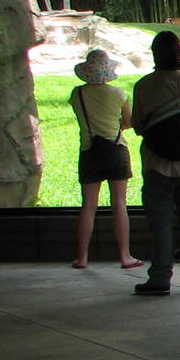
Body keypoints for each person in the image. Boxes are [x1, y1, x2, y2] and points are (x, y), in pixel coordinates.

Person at [130, 30, 180, 296]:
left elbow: (139, 126)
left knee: (161, 223)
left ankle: (160, 278)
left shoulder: (143, 86)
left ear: (155, 55)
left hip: (156, 163)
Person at [68, 48, 143, 271]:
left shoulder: (77, 94)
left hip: (89, 150)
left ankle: (82, 257)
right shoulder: (119, 94)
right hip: (116, 150)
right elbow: (129, 122)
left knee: (88, 205)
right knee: (119, 204)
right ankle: (125, 256)